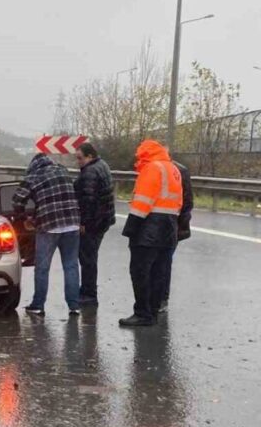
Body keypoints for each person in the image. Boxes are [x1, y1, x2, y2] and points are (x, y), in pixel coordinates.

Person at [119, 140, 183, 327]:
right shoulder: (173, 169)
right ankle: (153, 312)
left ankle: (142, 313)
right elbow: (178, 201)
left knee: (140, 272)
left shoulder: (152, 168)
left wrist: (131, 228)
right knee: (159, 273)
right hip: (169, 227)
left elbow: (142, 202)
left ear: (144, 154)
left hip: (149, 227)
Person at [11, 154, 82, 317]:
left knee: (42, 268)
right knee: (71, 266)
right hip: (72, 223)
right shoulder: (63, 171)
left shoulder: (34, 176)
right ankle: (74, 306)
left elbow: (17, 200)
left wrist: (24, 219)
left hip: (48, 225)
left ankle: (38, 305)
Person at [73, 142, 117, 307]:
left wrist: (83, 222)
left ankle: (88, 294)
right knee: (90, 257)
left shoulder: (90, 171)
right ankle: (87, 291)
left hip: (93, 222)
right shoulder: (102, 164)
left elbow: (88, 200)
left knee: (87, 258)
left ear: (89, 156)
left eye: (80, 158)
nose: (78, 162)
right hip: (103, 219)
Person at [158, 158, 194, 313]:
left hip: (169, 225)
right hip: (173, 225)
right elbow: (188, 202)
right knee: (163, 263)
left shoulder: (168, 170)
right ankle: (160, 299)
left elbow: (186, 202)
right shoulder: (180, 170)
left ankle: (160, 299)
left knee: (162, 263)